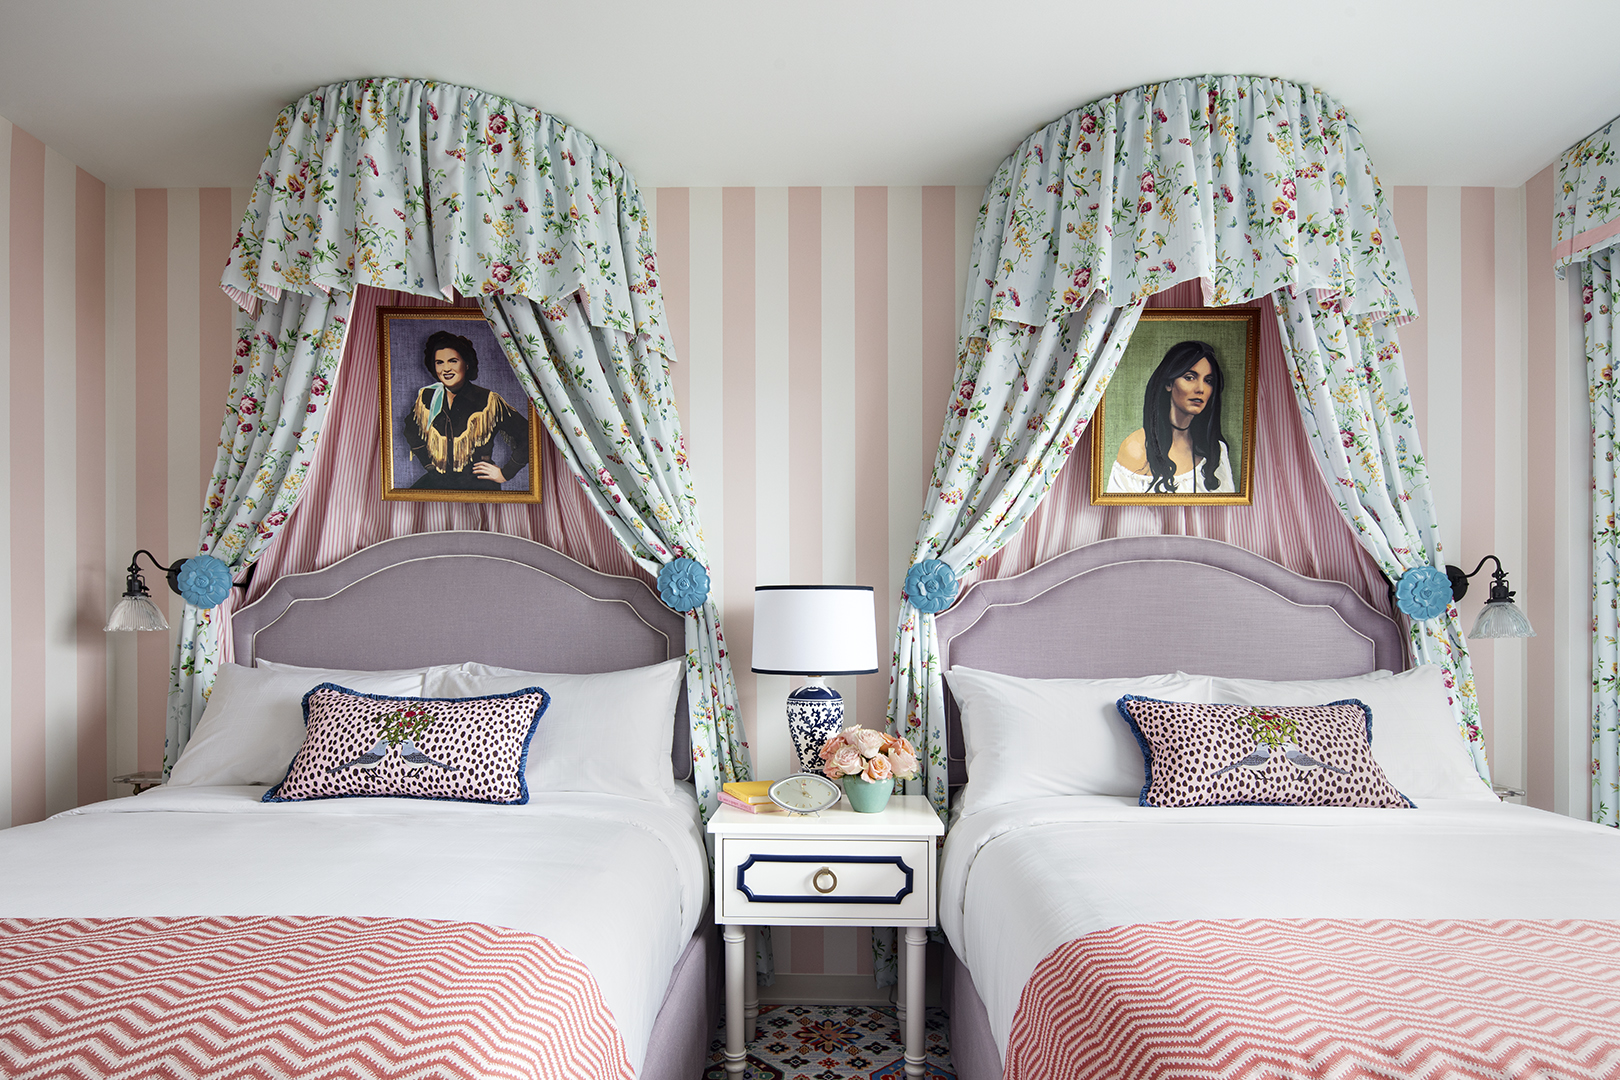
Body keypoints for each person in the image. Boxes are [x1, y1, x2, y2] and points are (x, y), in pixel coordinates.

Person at [403, 330, 530, 491]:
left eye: (453, 361)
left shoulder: (488, 400)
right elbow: (411, 430)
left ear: (467, 364)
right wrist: (429, 465)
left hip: (478, 484)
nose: (446, 368)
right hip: (438, 481)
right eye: (439, 362)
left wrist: (506, 473)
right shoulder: (427, 397)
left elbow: (528, 434)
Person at [1107, 339, 1235, 495]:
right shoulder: (1136, 448)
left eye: (1208, 381)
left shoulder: (1217, 450)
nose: (1200, 389)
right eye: (1189, 377)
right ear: (1169, 383)